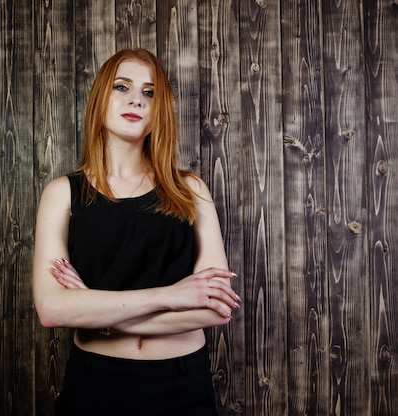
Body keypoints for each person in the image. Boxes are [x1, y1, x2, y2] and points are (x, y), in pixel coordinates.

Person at [33, 48, 240, 416]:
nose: (136, 100)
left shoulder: (190, 190)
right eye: (122, 86)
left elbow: (216, 308)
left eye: (149, 92)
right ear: (100, 98)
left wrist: (98, 312)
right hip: (96, 382)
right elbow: (51, 309)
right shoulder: (62, 193)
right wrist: (173, 295)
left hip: (181, 384)